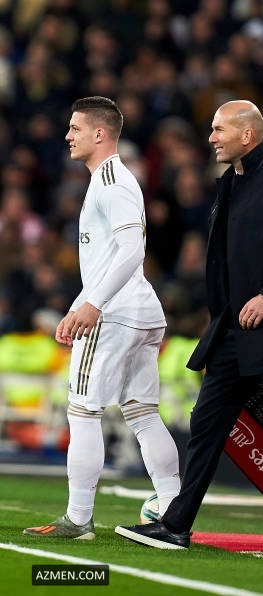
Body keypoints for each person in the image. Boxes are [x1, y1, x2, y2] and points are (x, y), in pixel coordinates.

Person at [115, 99, 263, 561]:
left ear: (247, 135)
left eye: (218, 129)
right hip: (232, 332)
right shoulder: (230, 182)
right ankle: (176, 525)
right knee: (206, 424)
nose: (210, 137)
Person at [23, 96, 180, 539]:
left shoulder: (111, 181)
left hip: (115, 315)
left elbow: (132, 251)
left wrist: (94, 305)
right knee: (143, 414)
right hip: (138, 312)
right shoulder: (108, 181)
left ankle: (78, 518)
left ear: (99, 133)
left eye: (75, 128)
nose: (67, 136)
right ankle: (174, 510)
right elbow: (108, 260)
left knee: (82, 411)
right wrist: (79, 304)